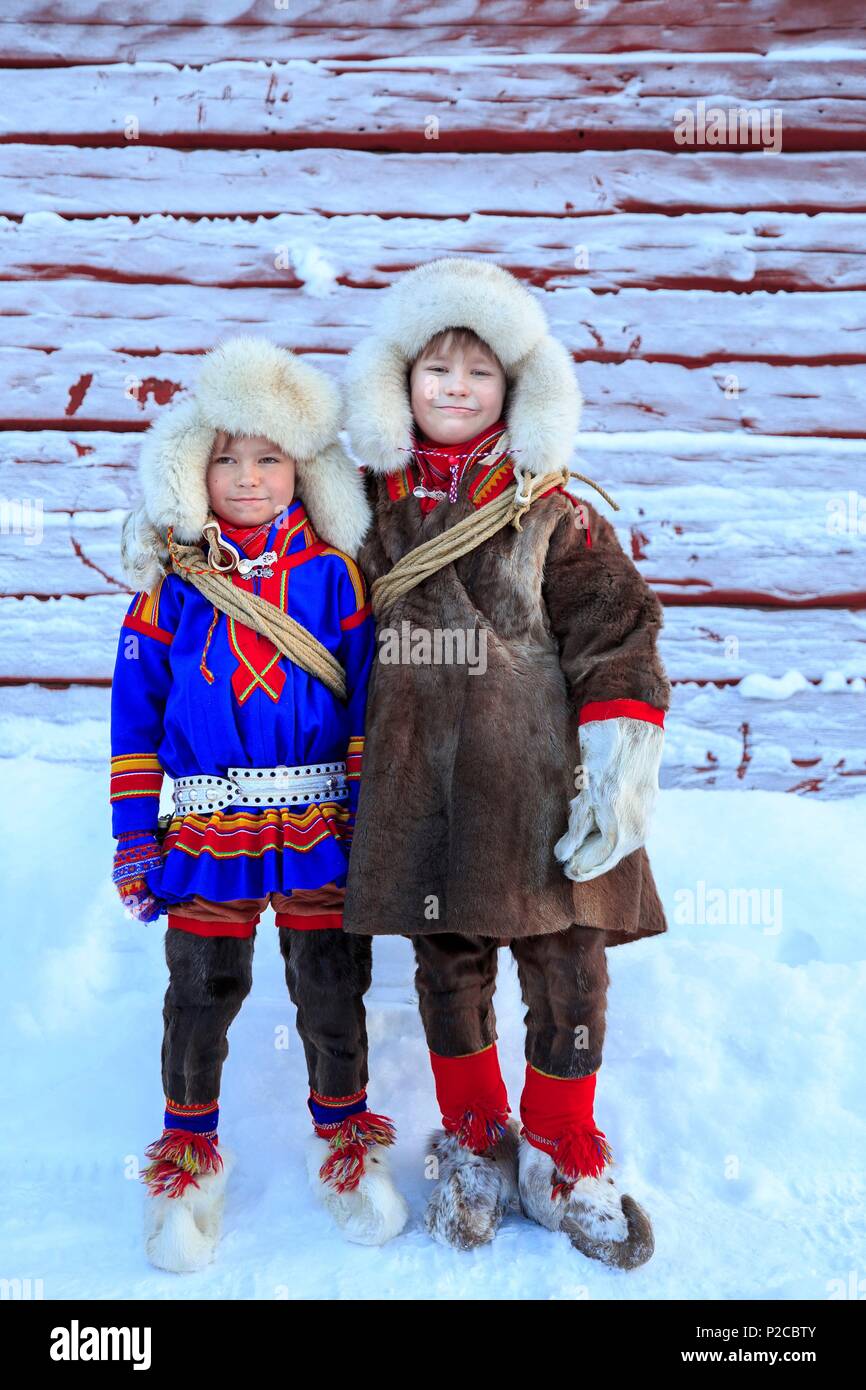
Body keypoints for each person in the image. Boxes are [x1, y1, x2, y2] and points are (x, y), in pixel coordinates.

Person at [341, 259, 671, 1268]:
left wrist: (612, 757)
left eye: (476, 372)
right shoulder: (355, 504)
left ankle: (565, 1150)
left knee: (566, 964)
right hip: (416, 780)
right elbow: (282, 568)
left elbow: (612, 626)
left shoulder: (551, 508)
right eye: (434, 367)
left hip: (535, 782)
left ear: (515, 389)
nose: (453, 386)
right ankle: (475, 1139)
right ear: (397, 383)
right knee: (448, 965)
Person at [110, 335, 408, 1270]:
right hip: (205, 829)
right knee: (201, 990)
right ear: (194, 468)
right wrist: (133, 837)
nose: (245, 477)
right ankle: (188, 1161)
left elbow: (366, 698)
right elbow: (134, 718)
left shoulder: (333, 579)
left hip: (319, 822)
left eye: (268, 458)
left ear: (303, 471)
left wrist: (365, 813)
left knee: (330, 984)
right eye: (226, 457)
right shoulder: (170, 586)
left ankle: (346, 1145)